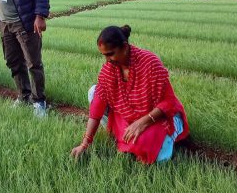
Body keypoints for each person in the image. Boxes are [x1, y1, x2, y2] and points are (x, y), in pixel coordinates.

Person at [71, 25, 189, 164]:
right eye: (104, 55)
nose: (107, 60)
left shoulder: (150, 63)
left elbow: (169, 101)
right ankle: (123, 133)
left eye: (110, 54)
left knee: (157, 159)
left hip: (156, 115)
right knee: (94, 92)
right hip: (128, 115)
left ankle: (175, 129)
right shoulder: (110, 69)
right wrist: (85, 144)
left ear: (125, 47)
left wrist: (143, 122)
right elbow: (97, 107)